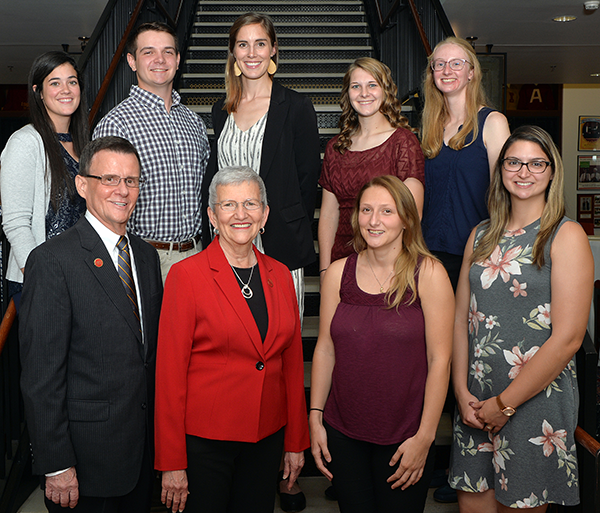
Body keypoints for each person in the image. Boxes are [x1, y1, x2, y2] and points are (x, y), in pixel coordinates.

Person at [449, 126, 593, 511]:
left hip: (534, 403)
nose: (523, 172)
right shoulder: (479, 234)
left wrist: (506, 403)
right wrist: (462, 394)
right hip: (476, 404)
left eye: (536, 163)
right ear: (501, 171)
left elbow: (568, 338)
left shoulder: (565, 235)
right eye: (514, 162)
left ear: (551, 172)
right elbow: (460, 320)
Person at [19, 136, 163, 512]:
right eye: (110, 179)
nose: (123, 190)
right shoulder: (52, 261)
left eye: (131, 181)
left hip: (140, 458)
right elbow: (41, 376)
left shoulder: (146, 258)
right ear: (83, 185)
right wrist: (56, 464)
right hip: (83, 468)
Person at [155, 166, 310, 513]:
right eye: (228, 206)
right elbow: (169, 375)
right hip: (205, 444)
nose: (241, 215)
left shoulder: (281, 275)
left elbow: (292, 364)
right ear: (212, 215)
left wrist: (296, 441)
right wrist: (171, 461)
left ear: (265, 214)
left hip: (267, 437)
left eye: (251, 204)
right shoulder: (186, 276)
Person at [310, 175, 454, 513]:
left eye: (386, 211)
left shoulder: (429, 274)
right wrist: (315, 417)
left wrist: (425, 437)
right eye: (366, 210)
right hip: (343, 432)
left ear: (406, 218)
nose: (374, 221)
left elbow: (440, 360)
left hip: (406, 436)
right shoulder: (336, 274)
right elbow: (325, 349)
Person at [201, 12, 320, 322]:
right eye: (243, 44)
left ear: (273, 49)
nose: (251, 53)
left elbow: (309, 179)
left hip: (280, 241)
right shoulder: (221, 109)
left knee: (282, 330)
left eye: (260, 44)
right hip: (228, 239)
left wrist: (288, 225)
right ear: (233, 52)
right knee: (234, 331)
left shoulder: (296, 107)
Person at [93, 21, 210, 280]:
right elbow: (101, 202)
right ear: (132, 61)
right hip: (144, 257)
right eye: (148, 52)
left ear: (178, 60)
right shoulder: (117, 124)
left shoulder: (194, 123)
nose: (160, 59)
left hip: (196, 255)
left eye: (168, 52)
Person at [318, 57, 424, 280]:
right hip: (342, 260)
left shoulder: (403, 142)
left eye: (372, 85)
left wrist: (395, 268)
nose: (364, 93)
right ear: (348, 94)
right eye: (356, 86)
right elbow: (328, 214)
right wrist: (325, 269)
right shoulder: (335, 148)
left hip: (388, 263)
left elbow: (412, 216)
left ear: (385, 90)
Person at [420, 37, 510, 290]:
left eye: (456, 63)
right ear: (432, 73)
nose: (447, 71)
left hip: (477, 253)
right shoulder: (431, 128)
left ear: (472, 72)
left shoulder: (492, 122)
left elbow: (504, 192)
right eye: (439, 64)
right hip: (430, 252)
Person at [1, 51, 89, 300]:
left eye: (72, 81)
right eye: (55, 82)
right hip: (42, 279)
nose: (66, 89)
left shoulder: (84, 145)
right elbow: (16, 223)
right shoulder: (25, 142)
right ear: (39, 92)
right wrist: (39, 276)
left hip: (80, 274)